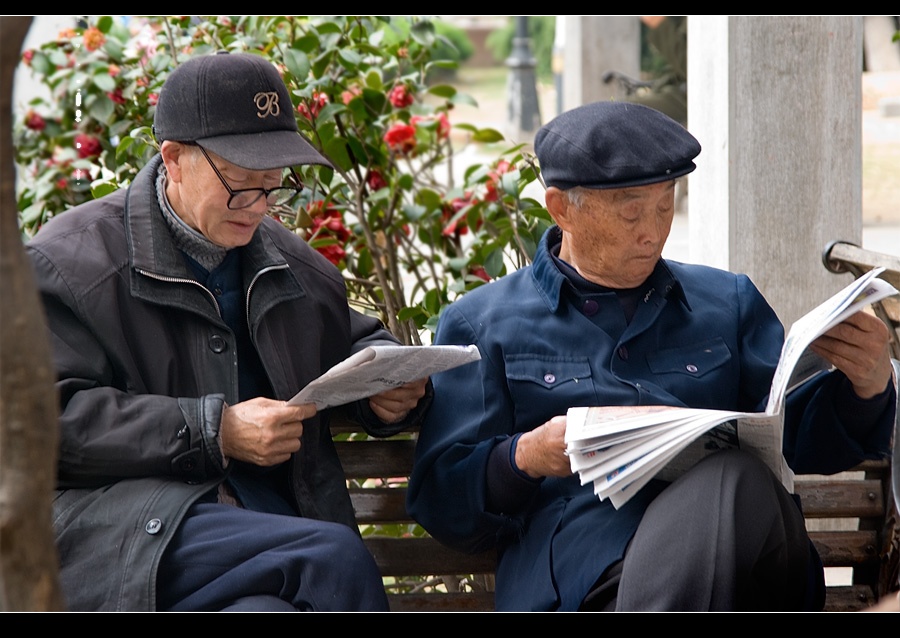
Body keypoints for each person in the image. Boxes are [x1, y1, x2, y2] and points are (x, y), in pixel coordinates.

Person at [405, 101, 897, 611]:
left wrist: (867, 385)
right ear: (560, 208)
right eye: (631, 211)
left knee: (737, 480)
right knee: (732, 480)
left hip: (751, 562)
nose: (653, 231)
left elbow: (796, 438)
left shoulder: (727, 301)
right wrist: (523, 456)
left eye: (666, 206)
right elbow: (441, 503)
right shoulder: (482, 323)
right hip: (592, 579)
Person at [26, 51, 432, 612]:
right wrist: (214, 430)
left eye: (274, 187)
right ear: (173, 159)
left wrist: (389, 393)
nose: (260, 208)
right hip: (123, 539)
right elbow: (37, 423)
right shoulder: (66, 263)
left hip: (263, 533)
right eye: (242, 186)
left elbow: (353, 343)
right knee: (331, 558)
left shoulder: (296, 267)